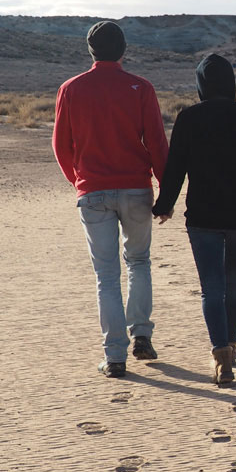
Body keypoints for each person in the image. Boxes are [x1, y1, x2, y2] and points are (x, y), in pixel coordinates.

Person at [152, 53, 236, 386]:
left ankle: (221, 355)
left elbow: (176, 169)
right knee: (234, 280)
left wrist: (164, 205)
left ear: (201, 85)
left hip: (203, 216)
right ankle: (233, 342)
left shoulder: (188, 118)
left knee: (211, 288)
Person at [53, 21, 169, 378]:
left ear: (91, 51)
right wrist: (167, 190)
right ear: (122, 50)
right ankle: (142, 335)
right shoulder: (141, 87)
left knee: (106, 276)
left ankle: (114, 355)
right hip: (136, 188)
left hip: (94, 192)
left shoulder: (71, 89)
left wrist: (78, 181)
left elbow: (61, 145)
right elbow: (157, 143)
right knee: (139, 262)